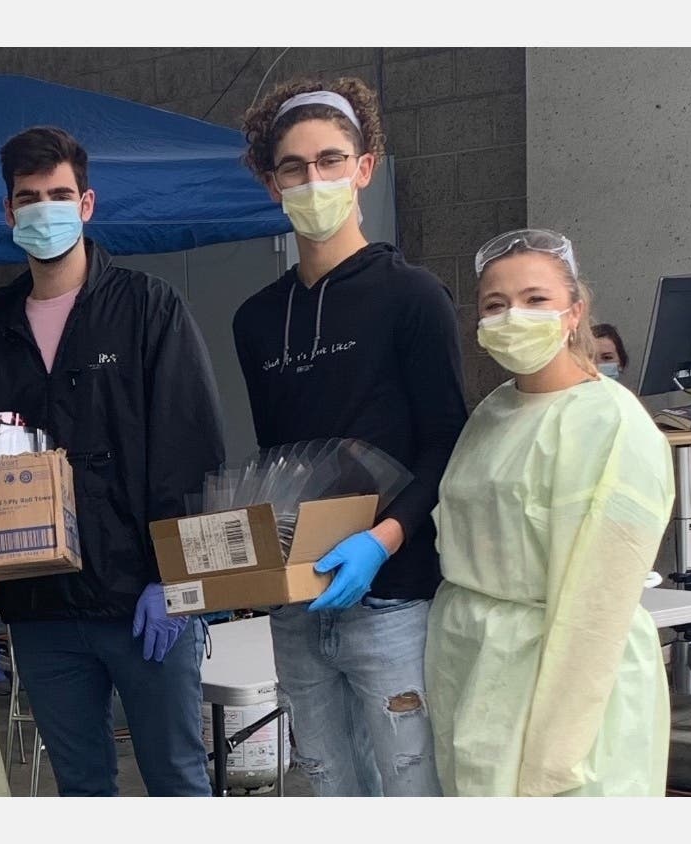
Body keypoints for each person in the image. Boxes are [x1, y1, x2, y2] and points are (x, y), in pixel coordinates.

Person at [0, 126, 225, 797]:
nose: (43, 208)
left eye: (58, 194)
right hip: (43, 610)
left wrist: (176, 579)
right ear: (7, 212)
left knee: (176, 780)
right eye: (28, 197)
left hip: (142, 602)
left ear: (86, 204)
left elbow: (190, 446)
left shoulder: (145, 307)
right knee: (80, 786)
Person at [234, 78, 467, 796]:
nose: (314, 181)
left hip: (392, 598)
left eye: (331, 161)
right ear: (270, 183)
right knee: (327, 784)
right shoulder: (255, 319)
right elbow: (278, 460)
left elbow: (446, 445)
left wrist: (382, 539)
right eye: (294, 168)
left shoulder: (411, 295)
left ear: (364, 168)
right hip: (298, 605)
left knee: (409, 787)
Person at [426, 228, 674, 796]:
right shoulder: (493, 411)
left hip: (566, 680)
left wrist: (555, 753)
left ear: (574, 312)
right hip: (477, 665)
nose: (514, 315)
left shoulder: (611, 425)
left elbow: (596, 608)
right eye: (496, 304)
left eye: (536, 299)